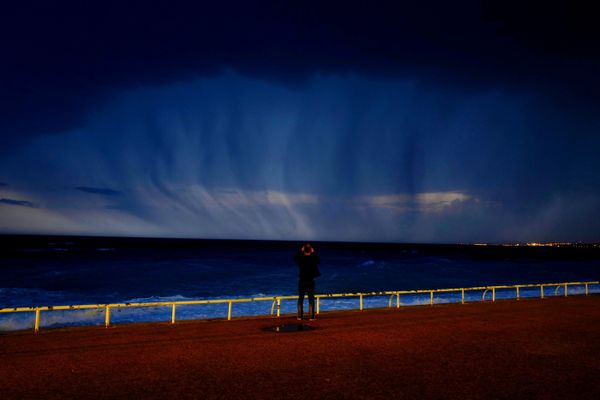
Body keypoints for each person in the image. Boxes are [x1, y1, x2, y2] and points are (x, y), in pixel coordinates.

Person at [294, 243, 321, 320]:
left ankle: (299, 316)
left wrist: (300, 251)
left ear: (303, 250)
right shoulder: (313, 258)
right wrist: (314, 252)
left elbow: (295, 258)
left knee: (300, 298)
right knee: (311, 299)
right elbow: (318, 260)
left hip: (302, 280)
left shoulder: (301, 258)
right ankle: (312, 317)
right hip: (310, 281)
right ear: (311, 250)